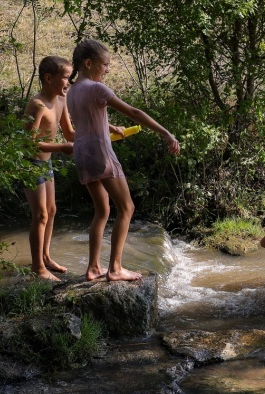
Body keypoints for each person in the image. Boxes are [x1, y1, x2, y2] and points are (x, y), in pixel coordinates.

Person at [66, 39, 180, 281]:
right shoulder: (98, 89)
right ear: (89, 63)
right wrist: (165, 132)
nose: (107, 69)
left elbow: (87, 118)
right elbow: (134, 113)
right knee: (127, 207)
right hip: (100, 152)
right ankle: (115, 268)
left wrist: (109, 126)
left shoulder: (73, 90)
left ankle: (93, 267)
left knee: (102, 210)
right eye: (105, 65)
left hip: (82, 153)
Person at [23, 56, 76, 280]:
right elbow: (26, 143)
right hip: (30, 164)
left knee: (51, 211)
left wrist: (101, 133)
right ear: (48, 78)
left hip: (46, 162)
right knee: (41, 214)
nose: (69, 83)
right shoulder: (37, 105)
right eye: (66, 78)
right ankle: (38, 268)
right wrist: (61, 147)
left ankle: (45, 256)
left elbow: (71, 133)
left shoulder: (61, 101)